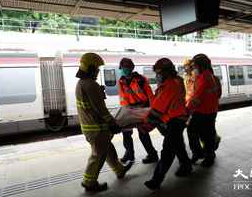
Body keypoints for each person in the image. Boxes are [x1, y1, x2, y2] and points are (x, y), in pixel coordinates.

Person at [75, 53, 132, 192]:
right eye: (96, 68)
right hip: (97, 129)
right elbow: (101, 110)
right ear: (90, 68)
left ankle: (119, 170)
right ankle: (89, 182)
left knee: (107, 149)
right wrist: (113, 124)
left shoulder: (81, 83)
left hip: (91, 127)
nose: (98, 71)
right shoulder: (90, 85)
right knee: (98, 156)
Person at [144, 58, 192, 190]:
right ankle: (186, 166)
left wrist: (146, 122)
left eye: (158, 73)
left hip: (174, 121)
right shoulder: (178, 81)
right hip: (179, 119)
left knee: (167, 151)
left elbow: (158, 109)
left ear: (165, 72)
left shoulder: (169, 85)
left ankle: (156, 180)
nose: (157, 76)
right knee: (178, 145)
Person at [118, 57, 158, 164]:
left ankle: (152, 154)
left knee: (143, 132)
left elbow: (150, 95)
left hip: (142, 109)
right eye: (123, 67)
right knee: (126, 132)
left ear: (131, 67)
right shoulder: (121, 81)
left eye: (126, 67)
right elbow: (123, 98)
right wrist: (126, 111)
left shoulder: (141, 79)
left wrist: (152, 110)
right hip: (129, 109)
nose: (124, 69)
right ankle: (129, 154)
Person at [184, 58, 221, 164]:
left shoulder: (203, 78)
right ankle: (207, 155)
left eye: (194, 66)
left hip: (203, 111)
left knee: (193, 131)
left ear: (201, 66)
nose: (193, 69)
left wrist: (187, 111)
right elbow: (216, 94)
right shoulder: (210, 76)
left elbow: (196, 98)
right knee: (207, 134)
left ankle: (200, 154)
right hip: (211, 110)